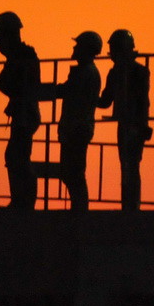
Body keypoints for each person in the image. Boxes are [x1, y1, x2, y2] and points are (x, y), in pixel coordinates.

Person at [46, 30, 102, 211]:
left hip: (76, 128)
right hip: (78, 127)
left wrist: (46, 91)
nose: (75, 48)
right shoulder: (89, 72)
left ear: (86, 49)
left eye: (78, 45)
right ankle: (79, 208)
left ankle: (79, 210)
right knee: (72, 172)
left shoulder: (85, 73)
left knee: (73, 172)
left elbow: (68, 91)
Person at [98, 28, 152, 211]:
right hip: (127, 124)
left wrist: (143, 126)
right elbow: (106, 101)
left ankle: (131, 206)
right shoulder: (119, 73)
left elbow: (142, 101)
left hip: (134, 124)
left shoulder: (137, 72)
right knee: (128, 165)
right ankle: (129, 205)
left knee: (131, 165)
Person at [0, 11, 41, 210]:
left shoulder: (22, 57)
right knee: (16, 156)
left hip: (25, 113)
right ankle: (21, 202)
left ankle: (24, 202)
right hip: (24, 112)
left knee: (17, 157)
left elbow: (7, 82)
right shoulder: (20, 56)